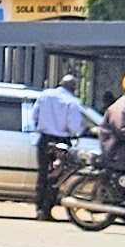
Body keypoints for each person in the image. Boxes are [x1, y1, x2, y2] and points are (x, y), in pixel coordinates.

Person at [29, 73, 94, 220]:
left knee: (42, 175)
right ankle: (46, 210)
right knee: (55, 177)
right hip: (61, 142)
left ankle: (39, 208)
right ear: (73, 88)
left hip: (44, 140)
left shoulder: (45, 95)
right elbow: (74, 127)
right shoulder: (72, 102)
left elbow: (34, 116)